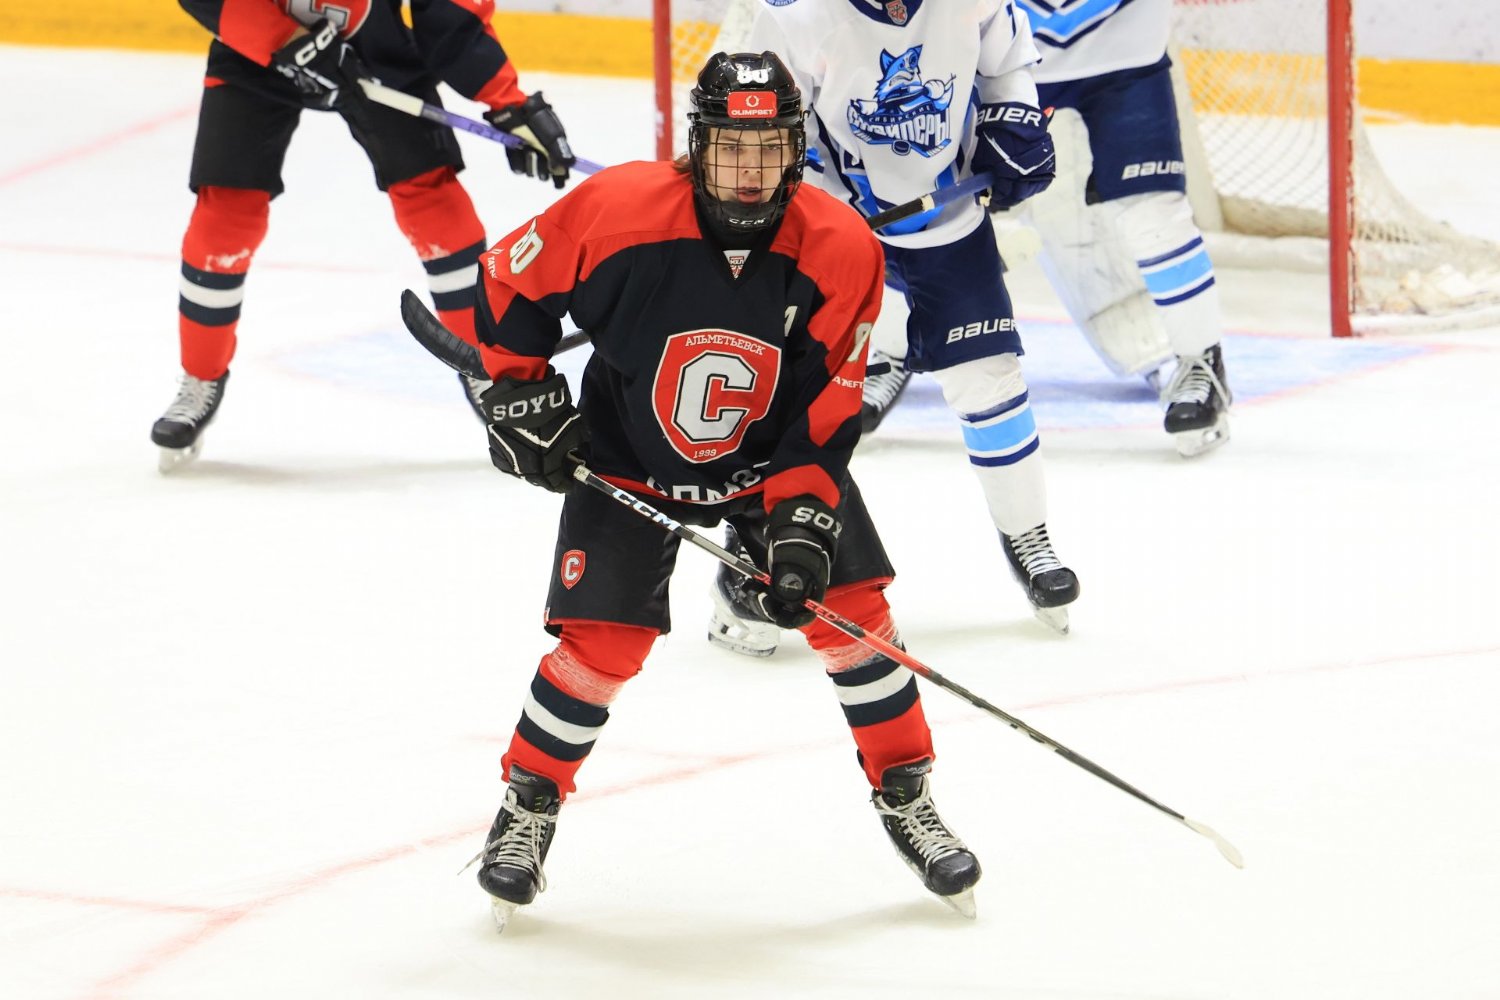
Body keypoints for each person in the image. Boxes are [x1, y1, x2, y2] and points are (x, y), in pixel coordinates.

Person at [464, 51, 981, 932]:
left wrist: (801, 521)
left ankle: (906, 793)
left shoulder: (841, 247)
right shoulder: (618, 209)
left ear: (796, 150)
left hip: (769, 463)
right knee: (601, 647)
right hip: (628, 454)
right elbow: (511, 280)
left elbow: (827, 410)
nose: (750, 171)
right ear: (696, 146)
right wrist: (518, 393)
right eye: (732, 148)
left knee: (855, 616)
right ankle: (528, 804)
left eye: (770, 148)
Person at [708, 0, 1080, 657]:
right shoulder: (797, 16)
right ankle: (752, 549)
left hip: (950, 220)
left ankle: (1028, 534)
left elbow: (1007, 61)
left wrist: (1013, 118)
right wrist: (810, 205)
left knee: (990, 381)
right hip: (837, 231)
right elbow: (769, 130)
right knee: (798, 400)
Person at [151, 0, 574, 471]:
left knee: (435, 204)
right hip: (255, 49)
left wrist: (507, 101)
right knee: (225, 217)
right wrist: (287, 39)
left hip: (373, 49)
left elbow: (449, 11)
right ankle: (200, 376)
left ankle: (486, 369)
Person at [1013, 0, 1232, 458]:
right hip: (1004, 58)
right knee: (938, 205)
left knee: (1153, 212)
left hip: (1126, 53)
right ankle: (888, 350)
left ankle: (1200, 363)